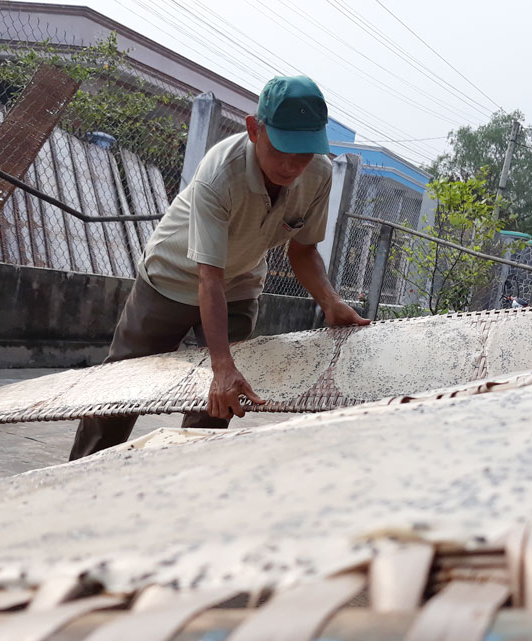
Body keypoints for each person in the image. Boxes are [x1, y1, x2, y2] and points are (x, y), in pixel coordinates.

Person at [70, 75, 369, 460]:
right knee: (119, 390)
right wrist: (221, 363)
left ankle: (189, 479)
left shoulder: (319, 174)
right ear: (254, 130)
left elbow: (304, 250)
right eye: (283, 148)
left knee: (221, 398)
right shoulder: (220, 172)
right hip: (169, 278)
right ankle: (80, 472)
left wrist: (329, 302)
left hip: (240, 284)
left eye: (305, 151)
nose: (292, 165)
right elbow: (207, 276)